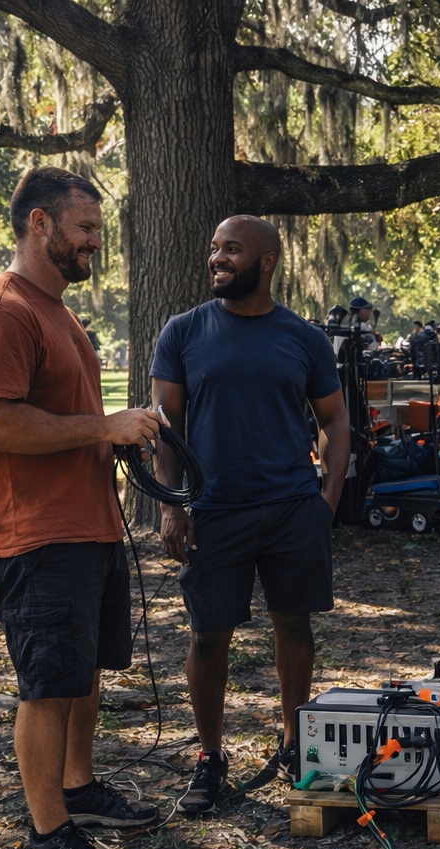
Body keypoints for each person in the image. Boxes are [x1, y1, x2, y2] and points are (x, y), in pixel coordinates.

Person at [0, 166, 162, 849]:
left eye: (98, 229)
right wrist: (103, 426)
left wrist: (120, 435)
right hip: (35, 534)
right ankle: (48, 834)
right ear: (39, 224)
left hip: (87, 526)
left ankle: (78, 788)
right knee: (46, 685)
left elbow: (62, 416)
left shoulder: (57, 311)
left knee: (81, 672)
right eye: (86, 229)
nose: (95, 242)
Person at [152, 215, 349, 815]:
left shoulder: (304, 338)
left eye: (231, 249)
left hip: (292, 509)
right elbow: (166, 428)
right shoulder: (183, 332)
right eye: (214, 248)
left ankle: (294, 746)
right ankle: (210, 758)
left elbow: (336, 421)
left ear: (266, 261)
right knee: (208, 635)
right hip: (214, 511)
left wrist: (326, 502)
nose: (217, 258)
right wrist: (173, 504)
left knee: (294, 625)